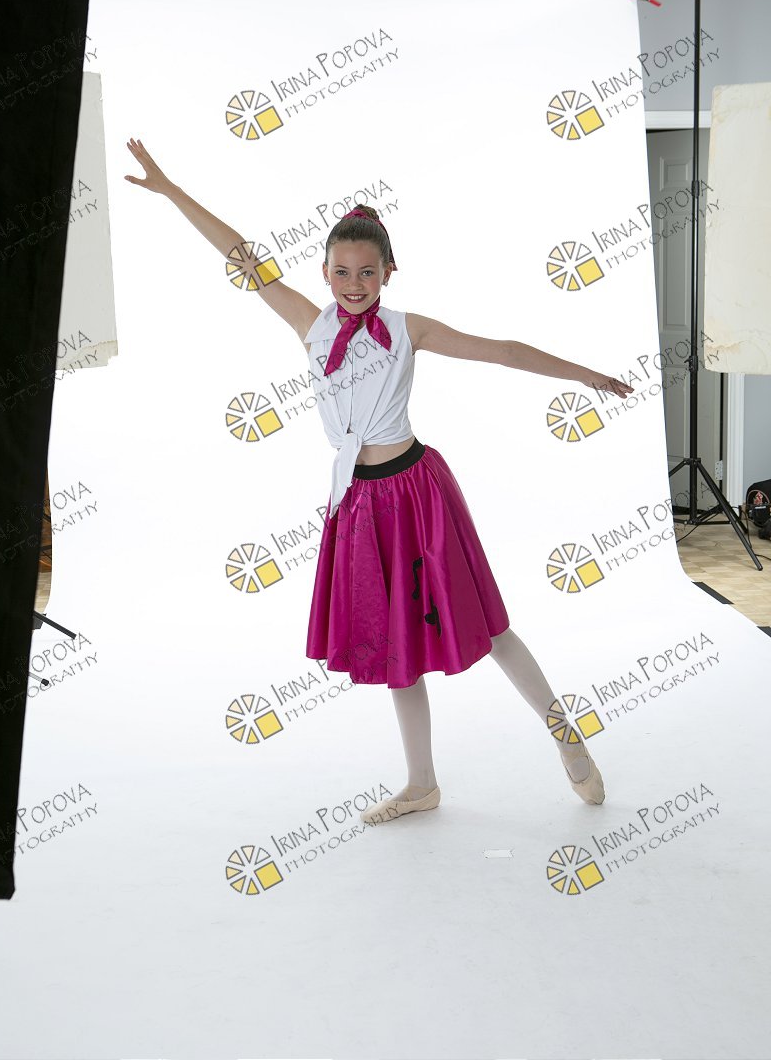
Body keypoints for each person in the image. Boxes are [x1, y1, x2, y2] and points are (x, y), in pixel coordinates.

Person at [125, 137, 635, 827]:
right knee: (399, 648)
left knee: (486, 625)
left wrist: (587, 375)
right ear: (325, 272)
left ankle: (564, 731)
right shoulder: (308, 324)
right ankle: (421, 783)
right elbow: (238, 251)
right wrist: (169, 189)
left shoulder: (408, 329)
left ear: (389, 272)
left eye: (367, 272)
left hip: (417, 493)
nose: (354, 283)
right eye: (341, 271)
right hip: (360, 503)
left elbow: (503, 351)